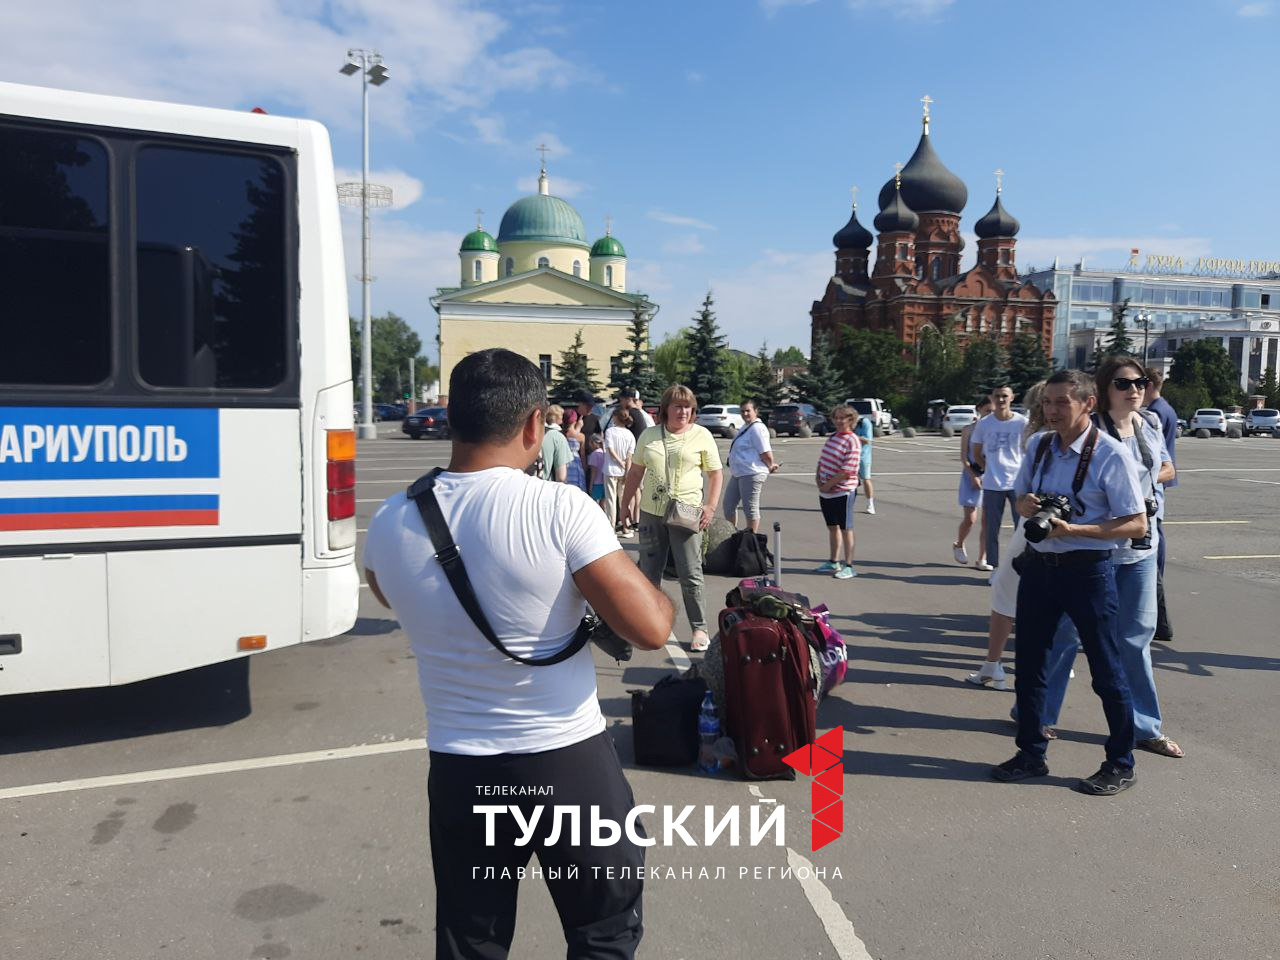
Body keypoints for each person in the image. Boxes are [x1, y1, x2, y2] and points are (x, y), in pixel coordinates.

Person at [362, 347, 674, 959]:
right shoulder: (559, 508)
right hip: (565, 760)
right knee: (602, 932)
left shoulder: (391, 520)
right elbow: (651, 630)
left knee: (471, 938)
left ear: (452, 416)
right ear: (536, 424)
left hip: (460, 766)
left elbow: (389, 594)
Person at [990, 369, 1147, 796]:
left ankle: (1120, 761)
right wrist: (1025, 505)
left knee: (1106, 669)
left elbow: (1136, 523)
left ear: (1088, 404)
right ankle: (1030, 753)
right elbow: (1022, 501)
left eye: (1063, 402)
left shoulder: (1111, 455)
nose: (1053, 411)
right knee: (1031, 666)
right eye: (1047, 403)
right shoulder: (1039, 445)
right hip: (1040, 568)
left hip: (1088, 571)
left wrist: (1072, 531)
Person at [1037, 359, 1183, 759]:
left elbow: (1167, 466)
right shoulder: (1090, 431)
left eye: (1141, 382)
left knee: (1135, 638)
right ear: (1104, 390)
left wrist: (1145, 481)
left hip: (1140, 548)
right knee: (1065, 637)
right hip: (1090, 551)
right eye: (1124, 383)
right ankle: (1038, 714)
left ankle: (1144, 727)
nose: (1135, 389)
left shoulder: (1150, 423)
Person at [621, 384, 723, 653]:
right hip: (651, 512)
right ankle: (650, 626)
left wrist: (710, 507)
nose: (683, 411)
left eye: (688, 407)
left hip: (687, 513)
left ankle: (699, 628)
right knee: (649, 574)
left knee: (691, 573)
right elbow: (635, 473)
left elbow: (715, 474)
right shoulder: (650, 435)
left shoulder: (701, 435)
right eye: (678, 406)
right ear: (666, 408)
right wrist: (624, 507)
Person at [965, 382, 1047, 691]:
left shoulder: (1033, 432)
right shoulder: (1034, 436)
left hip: (1032, 507)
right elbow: (975, 451)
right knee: (1006, 580)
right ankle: (993, 665)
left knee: (1023, 594)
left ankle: (1000, 666)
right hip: (1004, 489)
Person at [970, 384, 1028, 568]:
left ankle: (1020, 567)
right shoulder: (984, 423)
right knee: (991, 529)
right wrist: (990, 468)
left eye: (1004, 396)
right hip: (993, 484)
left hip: (1017, 484)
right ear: (992, 398)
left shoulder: (1022, 423)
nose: (1001, 399)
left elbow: (1029, 450)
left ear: (1012, 398)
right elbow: (977, 452)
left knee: (1021, 528)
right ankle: (994, 567)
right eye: (997, 396)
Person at [1143, 367, 1177, 643]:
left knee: (1154, 559)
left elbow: (1163, 461)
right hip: (1154, 491)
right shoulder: (1159, 409)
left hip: (1152, 494)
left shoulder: (1156, 413)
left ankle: (1156, 620)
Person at [813, 405, 862, 580]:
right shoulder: (833, 437)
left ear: (851, 420)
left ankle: (849, 565)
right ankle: (834, 561)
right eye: (837, 418)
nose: (839, 421)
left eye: (843, 418)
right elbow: (822, 461)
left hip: (843, 492)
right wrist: (819, 479)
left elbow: (847, 471)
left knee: (846, 528)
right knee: (832, 527)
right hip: (826, 493)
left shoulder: (853, 440)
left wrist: (828, 485)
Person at [722, 398, 778, 533]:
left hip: (752, 472)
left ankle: (751, 539)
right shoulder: (746, 427)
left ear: (756, 411)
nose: (745, 414)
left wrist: (770, 465)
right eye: (742, 411)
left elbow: (765, 452)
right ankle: (732, 535)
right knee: (728, 505)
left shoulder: (758, 428)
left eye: (748, 411)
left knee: (750, 508)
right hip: (739, 473)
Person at [953, 397, 992, 569]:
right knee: (970, 519)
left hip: (991, 477)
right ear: (979, 410)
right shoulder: (969, 430)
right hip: (972, 474)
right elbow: (964, 456)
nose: (990, 415)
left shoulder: (996, 430)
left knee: (987, 520)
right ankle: (959, 543)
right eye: (987, 411)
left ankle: (982, 558)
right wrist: (973, 476)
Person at [615, 388, 652, 531]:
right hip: (641, 455)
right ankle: (635, 520)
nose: (620, 402)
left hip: (634, 457)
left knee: (632, 490)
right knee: (637, 490)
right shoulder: (639, 414)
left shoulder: (632, 414)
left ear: (627, 399)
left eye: (622, 399)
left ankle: (629, 522)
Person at [602, 408, 637, 536]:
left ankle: (611, 528)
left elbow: (610, 450)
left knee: (611, 500)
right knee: (624, 500)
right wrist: (626, 469)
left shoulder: (610, 431)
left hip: (611, 470)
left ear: (615, 417)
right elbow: (629, 456)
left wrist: (619, 462)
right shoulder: (630, 435)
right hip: (623, 471)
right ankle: (625, 527)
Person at [540, 404, 572, 482]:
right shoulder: (558, 437)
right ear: (558, 417)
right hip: (548, 486)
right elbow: (561, 477)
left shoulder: (535, 433)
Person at [854, 408, 876, 514]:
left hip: (863, 456)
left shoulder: (865, 423)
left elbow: (867, 440)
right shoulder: (848, 424)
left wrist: (853, 436)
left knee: (866, 479)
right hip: (851, 456)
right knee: (850, 480)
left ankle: (870, 504)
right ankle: (848, 503)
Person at [575, 390, 602, 475]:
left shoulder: (594, 419)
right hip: (576, 456)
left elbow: (599, 436)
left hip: (591, 456)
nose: (590, 409)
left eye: (591, 406)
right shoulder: (573, 417)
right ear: (581, 404)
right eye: (588, 406)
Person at [564, 411, 587, 491]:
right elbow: (583, 455)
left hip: (564, 462)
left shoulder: (562, 434)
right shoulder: (580, 436)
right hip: (576, 464)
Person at [586, 434, 606, 506]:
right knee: (602, 505)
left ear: (593, 443)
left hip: (596, 483)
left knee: (595, 505)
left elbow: (593, 472)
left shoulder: (594, 455)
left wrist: (591, 485)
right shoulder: (604, 453)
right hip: (604, 482)